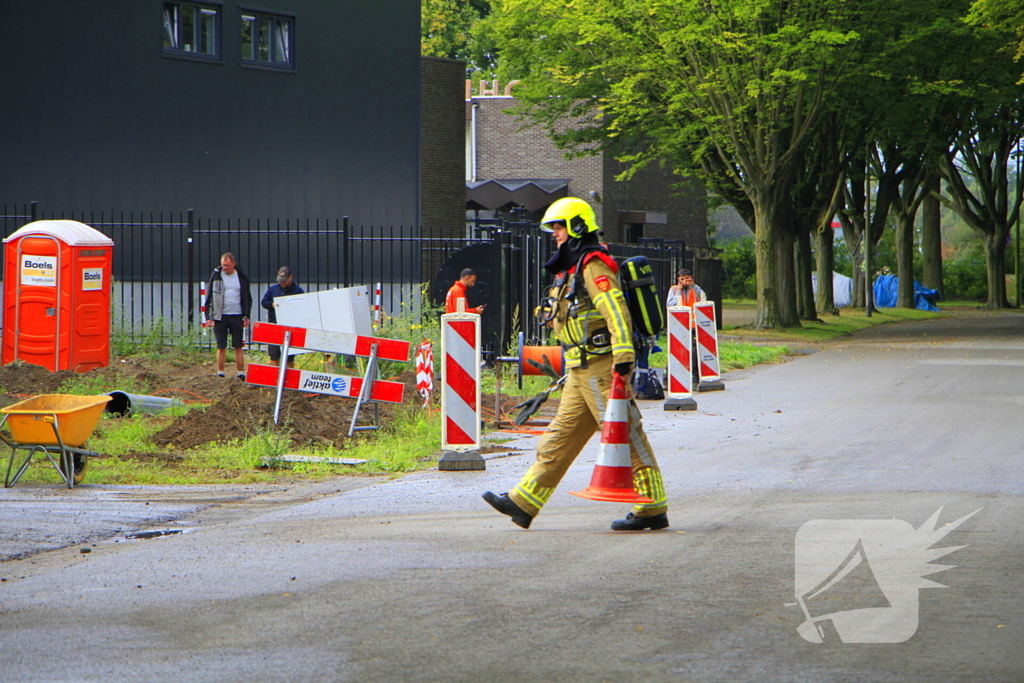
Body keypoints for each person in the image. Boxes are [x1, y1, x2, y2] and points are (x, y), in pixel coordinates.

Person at [482, 197, 668, 531]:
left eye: (559, 226)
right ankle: (523, 502)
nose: (555, 233)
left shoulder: (593, 264)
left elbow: (616, 310)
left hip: (601, 367)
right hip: (578, 369)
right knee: (558, 437)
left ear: (577, 227)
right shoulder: (573, 266)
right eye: (553, 227)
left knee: (625, 436)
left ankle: (651, 505)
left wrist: (624, 360)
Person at [205, 252, 252, 379]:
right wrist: (208, 317)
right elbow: (209, 297)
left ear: (233, 264)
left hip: (237, 315)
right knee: (221, 345)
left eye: (227, 265)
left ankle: (240, 372)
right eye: (223, 265)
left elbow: (247, 297)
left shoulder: (241, 276)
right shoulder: (216, 275)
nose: (225, 268)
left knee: (238, 345)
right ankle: (220, 372)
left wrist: (246, 315)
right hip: (220, 316)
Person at [261, 266, 305, 368]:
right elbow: (264, 302)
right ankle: (273, 380)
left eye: (284, 281)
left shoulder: (298, 291)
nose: (282, 283)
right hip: (274, 326)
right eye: (280, 281)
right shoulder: (273, 289)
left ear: (290, 278)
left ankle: (288, 380)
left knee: (289, 357)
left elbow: (303, 307)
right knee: (274, 356)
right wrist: (272, 305)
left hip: (290, 328)